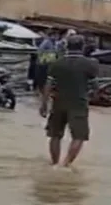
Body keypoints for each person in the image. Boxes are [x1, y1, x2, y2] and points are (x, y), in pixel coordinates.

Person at [39, 34, 99, 167]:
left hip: (58, 103)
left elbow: (48, 85)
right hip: (79, 104)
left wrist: (44, 104)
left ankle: (55, 163)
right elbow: (95, 87)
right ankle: (66, 164)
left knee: (55, 135)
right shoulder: (89, 64)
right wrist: (93, 96)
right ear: (82, 47)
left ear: (66, 46)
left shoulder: (57, 63)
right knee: (79, 136)